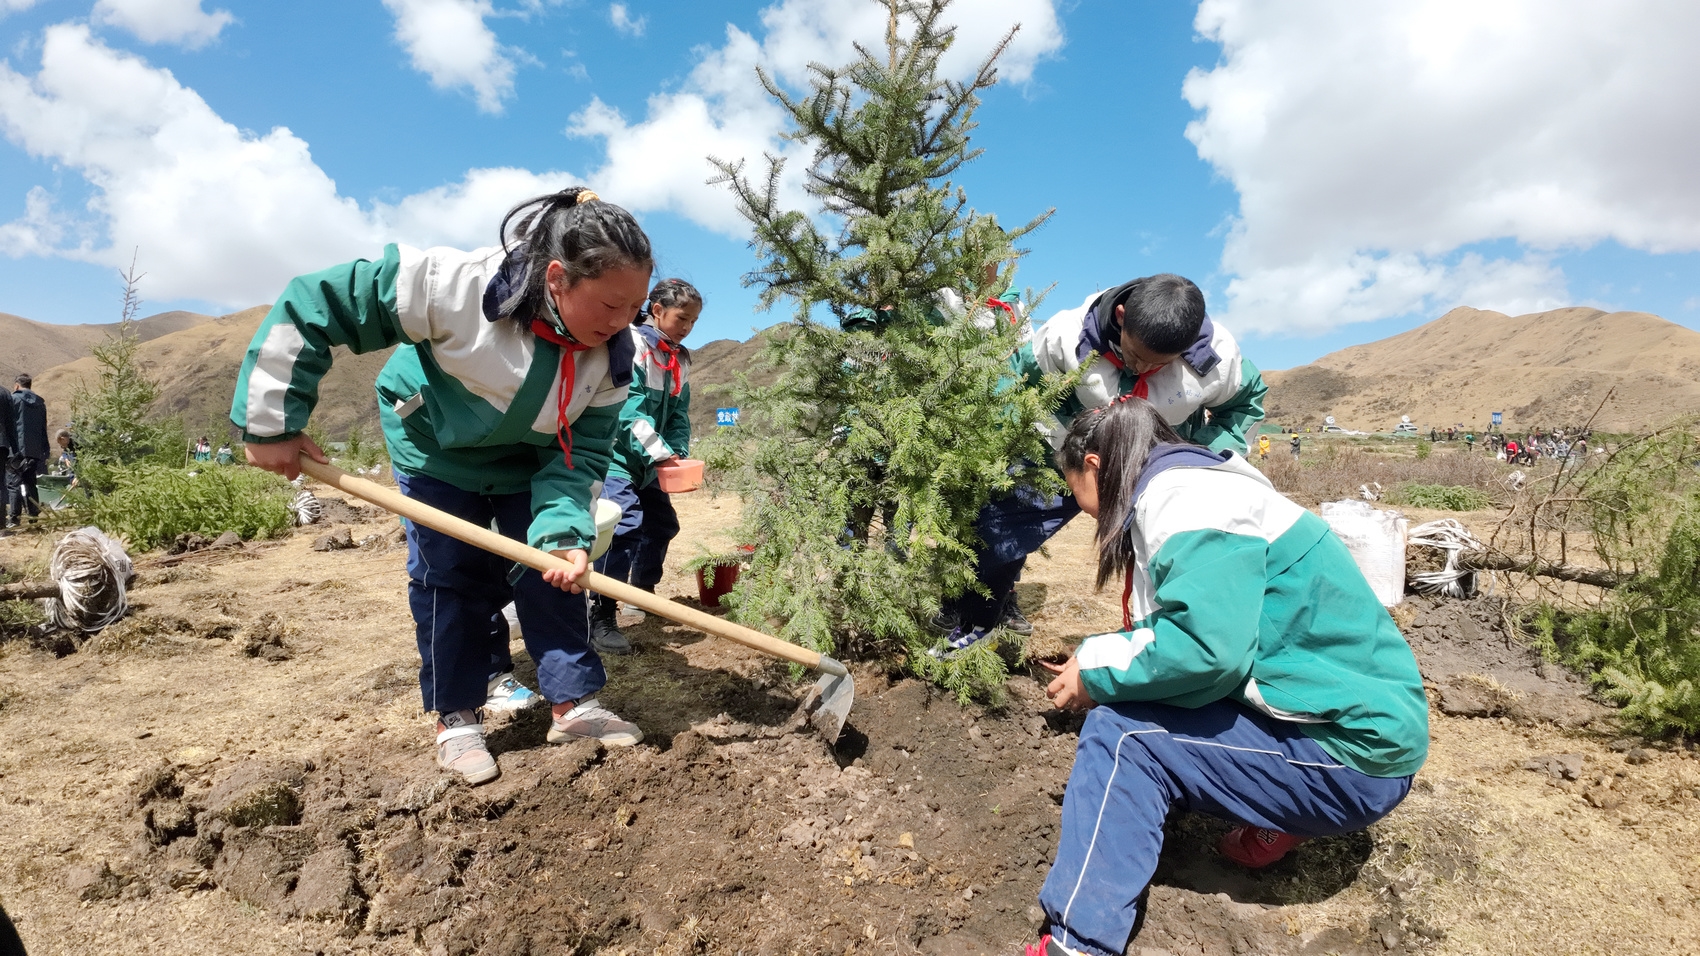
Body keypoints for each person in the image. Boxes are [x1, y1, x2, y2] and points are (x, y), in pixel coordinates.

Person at [233, 187, 653, 785]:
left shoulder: (614, 355)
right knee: (446, 574)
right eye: (612, 304)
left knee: (554, 570)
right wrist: (272, 420)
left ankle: (571, 704)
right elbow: (315, 302)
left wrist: (563, 531)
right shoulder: (453, 287)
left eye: (634, 306)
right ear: (557, 278)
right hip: (433, 445)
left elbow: (582, 452)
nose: (624, 322)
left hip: (531, 458)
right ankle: (456, 719)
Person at [1022, 397, 1427, 956]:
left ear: (1093, 465)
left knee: (1122, 737)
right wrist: (1109, 658)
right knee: (1150, 706)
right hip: (1360, 723)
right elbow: (1208, 630)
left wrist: (1096, 673)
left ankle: (1078, 942)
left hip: (1354, 759)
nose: (1084, 510)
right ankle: (1278, 814)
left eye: (1076, 492)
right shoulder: (1209, 480)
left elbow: (1206, 652)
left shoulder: (1187, 503)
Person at [934, 274, 1267, 654]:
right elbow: (1020, 390)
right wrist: (1069, 457)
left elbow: (1244, 408)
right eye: (1135, 355)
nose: (1141, 370)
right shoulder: (1065, 336)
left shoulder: (1216, 359)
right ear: (1122, 316)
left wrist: (1198, 459)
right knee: (997, 534)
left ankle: (1159, 655)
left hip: (1157, 473)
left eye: (1158, 365)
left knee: (1160, 559)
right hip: (1063, 459)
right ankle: (978, 621)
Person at [591, 278, 702, 653]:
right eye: (681, 318)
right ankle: (601, 615)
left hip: (652, 462)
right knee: (623, 529)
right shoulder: (633, 346)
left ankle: (642, 593)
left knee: (662, 525)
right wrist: (659, 453)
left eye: (693, 321)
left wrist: (679, 451)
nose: (687, 327)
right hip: (618, 457)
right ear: (657, 310)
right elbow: (627, 410)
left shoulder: (679, 359)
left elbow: (678, 413)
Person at [7, 374, 48, 528]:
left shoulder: (14, 399)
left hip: (16, 448)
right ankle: (33, 516)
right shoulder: (40, 403)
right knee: (31, 483)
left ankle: (14, 518)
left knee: (13, 483)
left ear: (17, 385)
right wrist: (45, 450)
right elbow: (43, 428)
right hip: (34, 450)